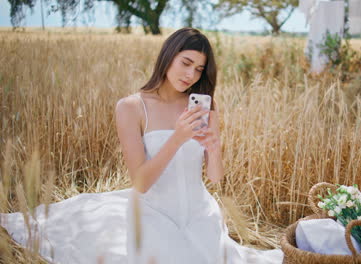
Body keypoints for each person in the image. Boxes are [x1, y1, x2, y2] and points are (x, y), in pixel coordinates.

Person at [0, 27, 284, 264]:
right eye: (185, 62)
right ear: (168, 56)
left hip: (200, 214)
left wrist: (214, 146)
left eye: (199, 69)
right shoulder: (131, 107)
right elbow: (141, 183)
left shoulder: (204, 108)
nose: (191, 75)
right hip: (153, 214)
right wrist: (177, 138)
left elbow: (215, 177)